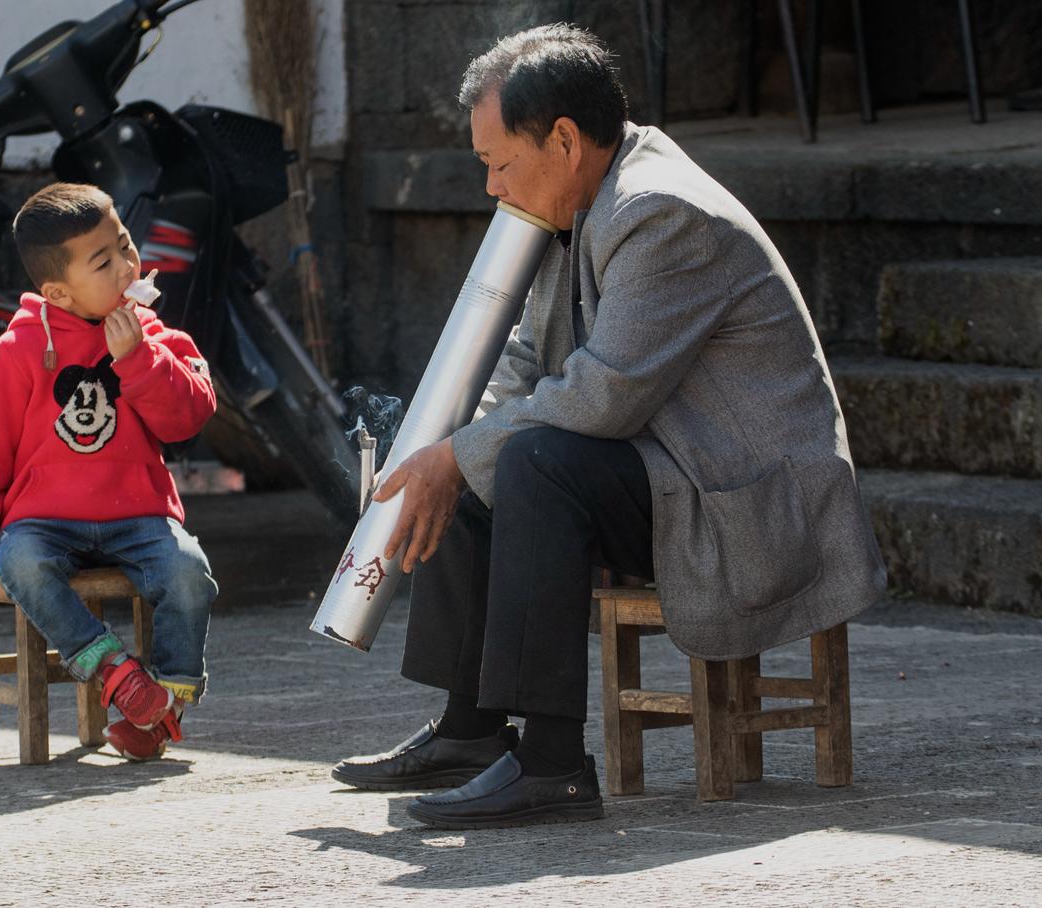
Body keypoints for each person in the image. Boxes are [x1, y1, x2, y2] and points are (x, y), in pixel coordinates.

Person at [332, 25, 886, 828]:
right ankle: (470, 733)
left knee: (528, 463)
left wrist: (462, 454)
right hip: (670, 472)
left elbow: (605, 395)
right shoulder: (575, 199)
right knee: (466, 461)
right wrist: (442, 455)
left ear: (561, 139)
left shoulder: (659, 212)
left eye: (498, 162)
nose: (491, 184)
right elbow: (523, 363)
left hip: (748, 502)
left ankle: (552, 764)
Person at [0, 182, 219, 761]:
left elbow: (188, 418)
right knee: (20, 560)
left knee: (190, 573)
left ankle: (161, 708)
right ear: (58, 293)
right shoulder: (19, 349)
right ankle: (111, 667)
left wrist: (140, 359)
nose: (127, 265)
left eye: (124, 246)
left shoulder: (157, 336)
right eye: (104, 261)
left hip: (139, 516)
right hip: (45, 520)